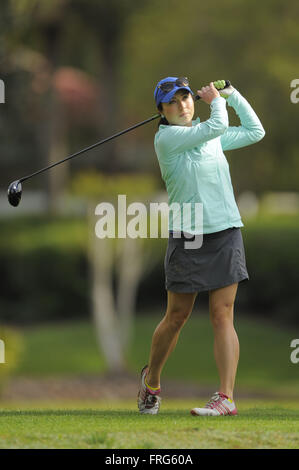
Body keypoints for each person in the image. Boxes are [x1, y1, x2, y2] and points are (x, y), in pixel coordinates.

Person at [137, 77, 265, 416]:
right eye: (173, 102)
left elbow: (255, 131)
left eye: (186, 98)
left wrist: (232, 94)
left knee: (223, 314)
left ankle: (226, 398)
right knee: (177, 316)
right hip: (189, 235)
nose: (182, 105)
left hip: (225, 230)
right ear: (161, 111)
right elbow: (216, 125)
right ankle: (152, 382)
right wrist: (216, 101)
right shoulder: (167, 139)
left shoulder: (210, 134)